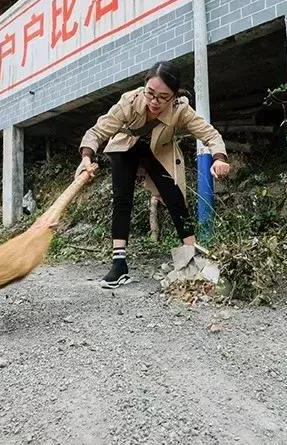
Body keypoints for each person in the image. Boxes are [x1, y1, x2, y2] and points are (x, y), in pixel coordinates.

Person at [77, 61, 231, 289]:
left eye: (163, 97)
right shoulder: (130, 101)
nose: (154, 101)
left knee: (175, 198)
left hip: (158, 152)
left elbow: (211, 135)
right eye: (150, 93)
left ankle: (191, 258)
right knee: (122, 200)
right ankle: (119, 265)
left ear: (174, 95)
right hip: (125, 147)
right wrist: (86, 157)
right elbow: (98, 131)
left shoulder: (181, 109)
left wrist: (219, 158)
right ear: (144, 87)